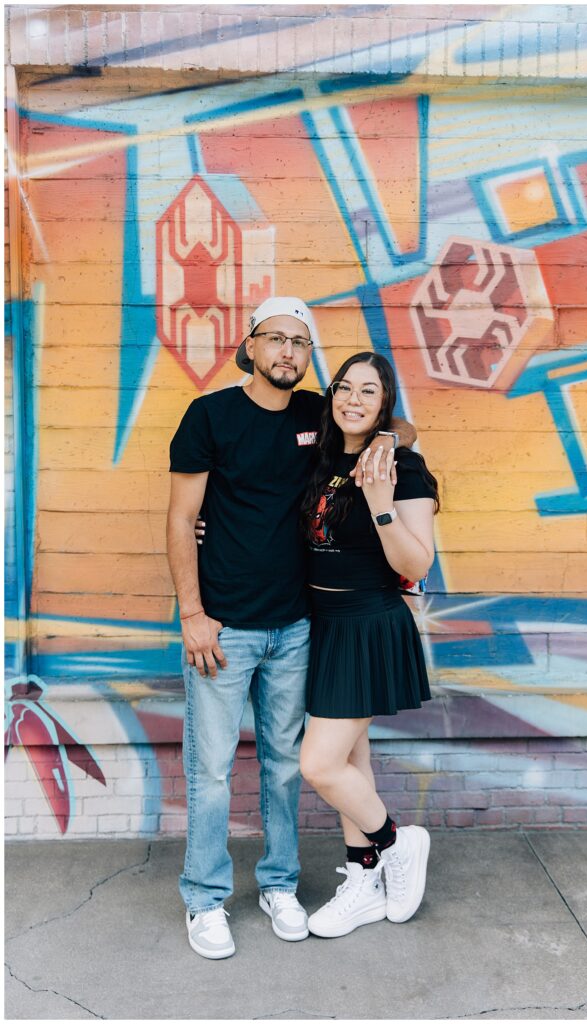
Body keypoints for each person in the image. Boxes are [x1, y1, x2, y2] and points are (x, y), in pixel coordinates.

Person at [167, 296, 414, 960]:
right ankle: (205, 899)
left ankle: (279, 886)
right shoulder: (209, 415)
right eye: (276, 339)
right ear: (248, 346)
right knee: (212, 770)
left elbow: (393, 426)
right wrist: (193, 614)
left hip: (297, 627)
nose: (287, 353)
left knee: (284, 767)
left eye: (301, 344)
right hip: (223, 626)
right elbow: (178, 518)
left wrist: (390, 439)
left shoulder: (317, 413)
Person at [298, 352, 439, 938]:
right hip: (323, 622)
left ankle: (396, 842)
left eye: (369, 391)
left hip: (367, 622)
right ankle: (363, 880)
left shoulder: (402, 469)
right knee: (352, 760)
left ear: (385, 403)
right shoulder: (325, 457)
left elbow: (417, 562)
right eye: (344, 387)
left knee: (320, 762)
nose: (353, 399)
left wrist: (380, 505)